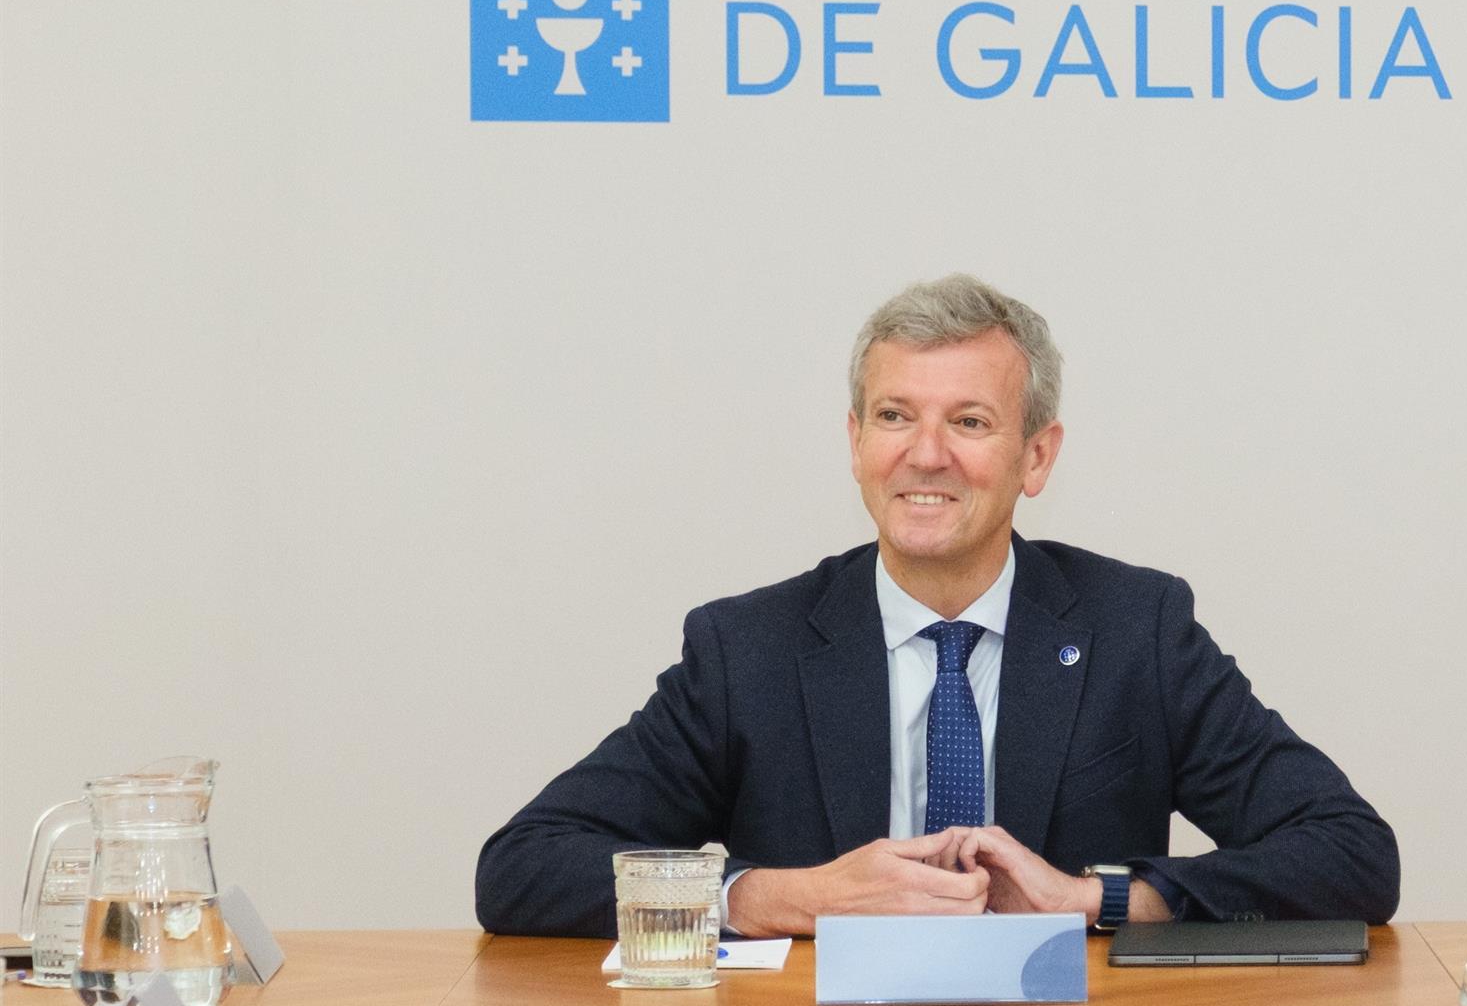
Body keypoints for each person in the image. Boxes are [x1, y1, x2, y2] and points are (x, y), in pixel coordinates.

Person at [476, 275, 1398, 938]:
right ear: (855, 442)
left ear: (1036, 457)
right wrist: (785, 898)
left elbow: (1353, 854)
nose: (925, 454)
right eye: (894, 416)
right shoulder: (747, 649)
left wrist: (1097, 900)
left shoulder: (1136, 631)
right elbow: (522, 867)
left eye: (969, 422)